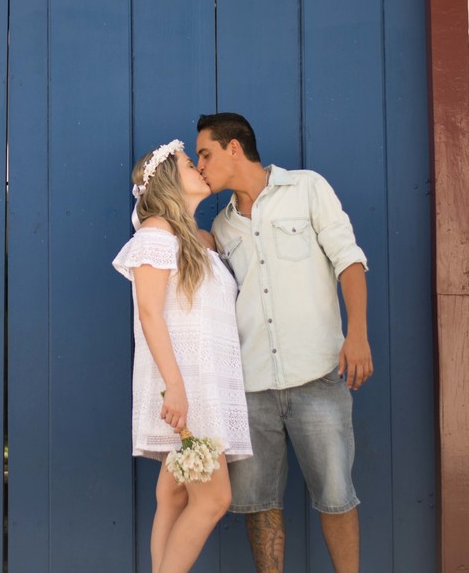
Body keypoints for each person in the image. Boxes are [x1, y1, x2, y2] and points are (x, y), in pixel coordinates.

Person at [194, 113, 372, 573]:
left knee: (336, 495)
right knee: (260, 504)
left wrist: (357, 333)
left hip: (317, 377)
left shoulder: (308, 189)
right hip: (251, 388)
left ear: (235, 148)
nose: (201, 166)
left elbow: (348, 259)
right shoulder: (222, 228)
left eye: (205, 154)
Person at [112, 139, 252, 573]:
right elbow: (150, 314)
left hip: (207, 384)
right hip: (184, 387)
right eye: (192, 164)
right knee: (214, 498)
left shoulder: (203, 239)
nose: (200, 169)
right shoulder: (156, 233)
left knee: (173, 496)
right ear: (171, 179)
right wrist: (174, 387)